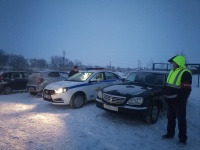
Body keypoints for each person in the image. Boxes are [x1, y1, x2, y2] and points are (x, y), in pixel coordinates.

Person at [162, 55, 192, 147]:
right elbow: (167, 84)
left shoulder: (185, 72)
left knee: (181, 120)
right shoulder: (172, 71)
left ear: (178, 62)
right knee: (170, 118)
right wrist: (165, 93)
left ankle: (182, 139)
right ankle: (170, 134)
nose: (172, 64)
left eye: (173, 62)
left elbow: (186, 90)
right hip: (170, 99)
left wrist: (178, 99)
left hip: (179, 101)